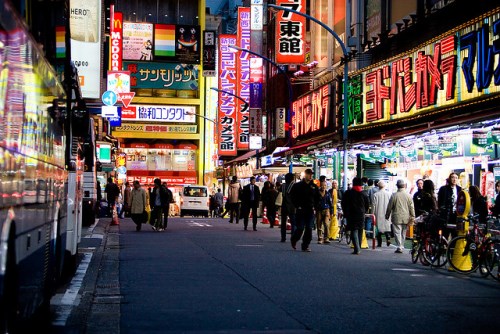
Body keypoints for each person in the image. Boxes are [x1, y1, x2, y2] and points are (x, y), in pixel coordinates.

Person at [290, 169, 319, 252]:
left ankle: (305, 245)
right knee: (300, 228)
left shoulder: (314, 186)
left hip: (310, 210)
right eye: (309, 174)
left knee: (309, 228)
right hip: (300, 210)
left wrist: (315, 207)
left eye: (311, 174)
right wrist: (297, 206)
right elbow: (292, 197)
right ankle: (294, 239)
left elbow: (317, 198)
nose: (310, 176)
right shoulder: (297, 185)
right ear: (305, 174)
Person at [385, 179, 415, 254]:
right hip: (406, 217)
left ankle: (399, 246)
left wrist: (387, 214)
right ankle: (401, 245)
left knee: (397, 232)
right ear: (404, 186)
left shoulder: (394, 195)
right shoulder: (408, 195)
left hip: (396, 216)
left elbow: (390, 206)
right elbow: (411, 207)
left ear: (397, 186)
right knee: (403, 232)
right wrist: (413, 216)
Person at [342, 177, 369, 255]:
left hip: (351, 214)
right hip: (361, 215)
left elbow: (343, 203)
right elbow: (367, 205)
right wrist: (364, 211)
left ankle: (356, 248)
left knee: (354, 230)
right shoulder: (364, 193)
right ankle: (358, 247)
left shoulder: (348, 193)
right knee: (360, 230)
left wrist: (345, 213)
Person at [437, 172, 462, 238]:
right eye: (453, 177)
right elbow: (440, 202)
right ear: (450, 179)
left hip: (457, 215)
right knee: (445, 233)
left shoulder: (460, 189)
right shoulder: (443, 189)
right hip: (446, 215)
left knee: (455, 234)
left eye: (456, 178)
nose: (454, 179)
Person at [372, 180, 392, 247]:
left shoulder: (375, 195)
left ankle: (379, 243)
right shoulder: (389, 194)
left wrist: (372, 214)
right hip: (387, 213)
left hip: (378, 213)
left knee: (378, 229)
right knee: (387, 227)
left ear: (378, 186)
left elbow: (373, 205)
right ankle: (388, 237)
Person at [280, 173, 296, 242]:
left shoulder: (283, 186)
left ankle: (283, 237)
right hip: (292, 206)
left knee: (283, 223)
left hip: (284, 206)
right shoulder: (294, 186)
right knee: (293, 223)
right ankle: (293, 237)